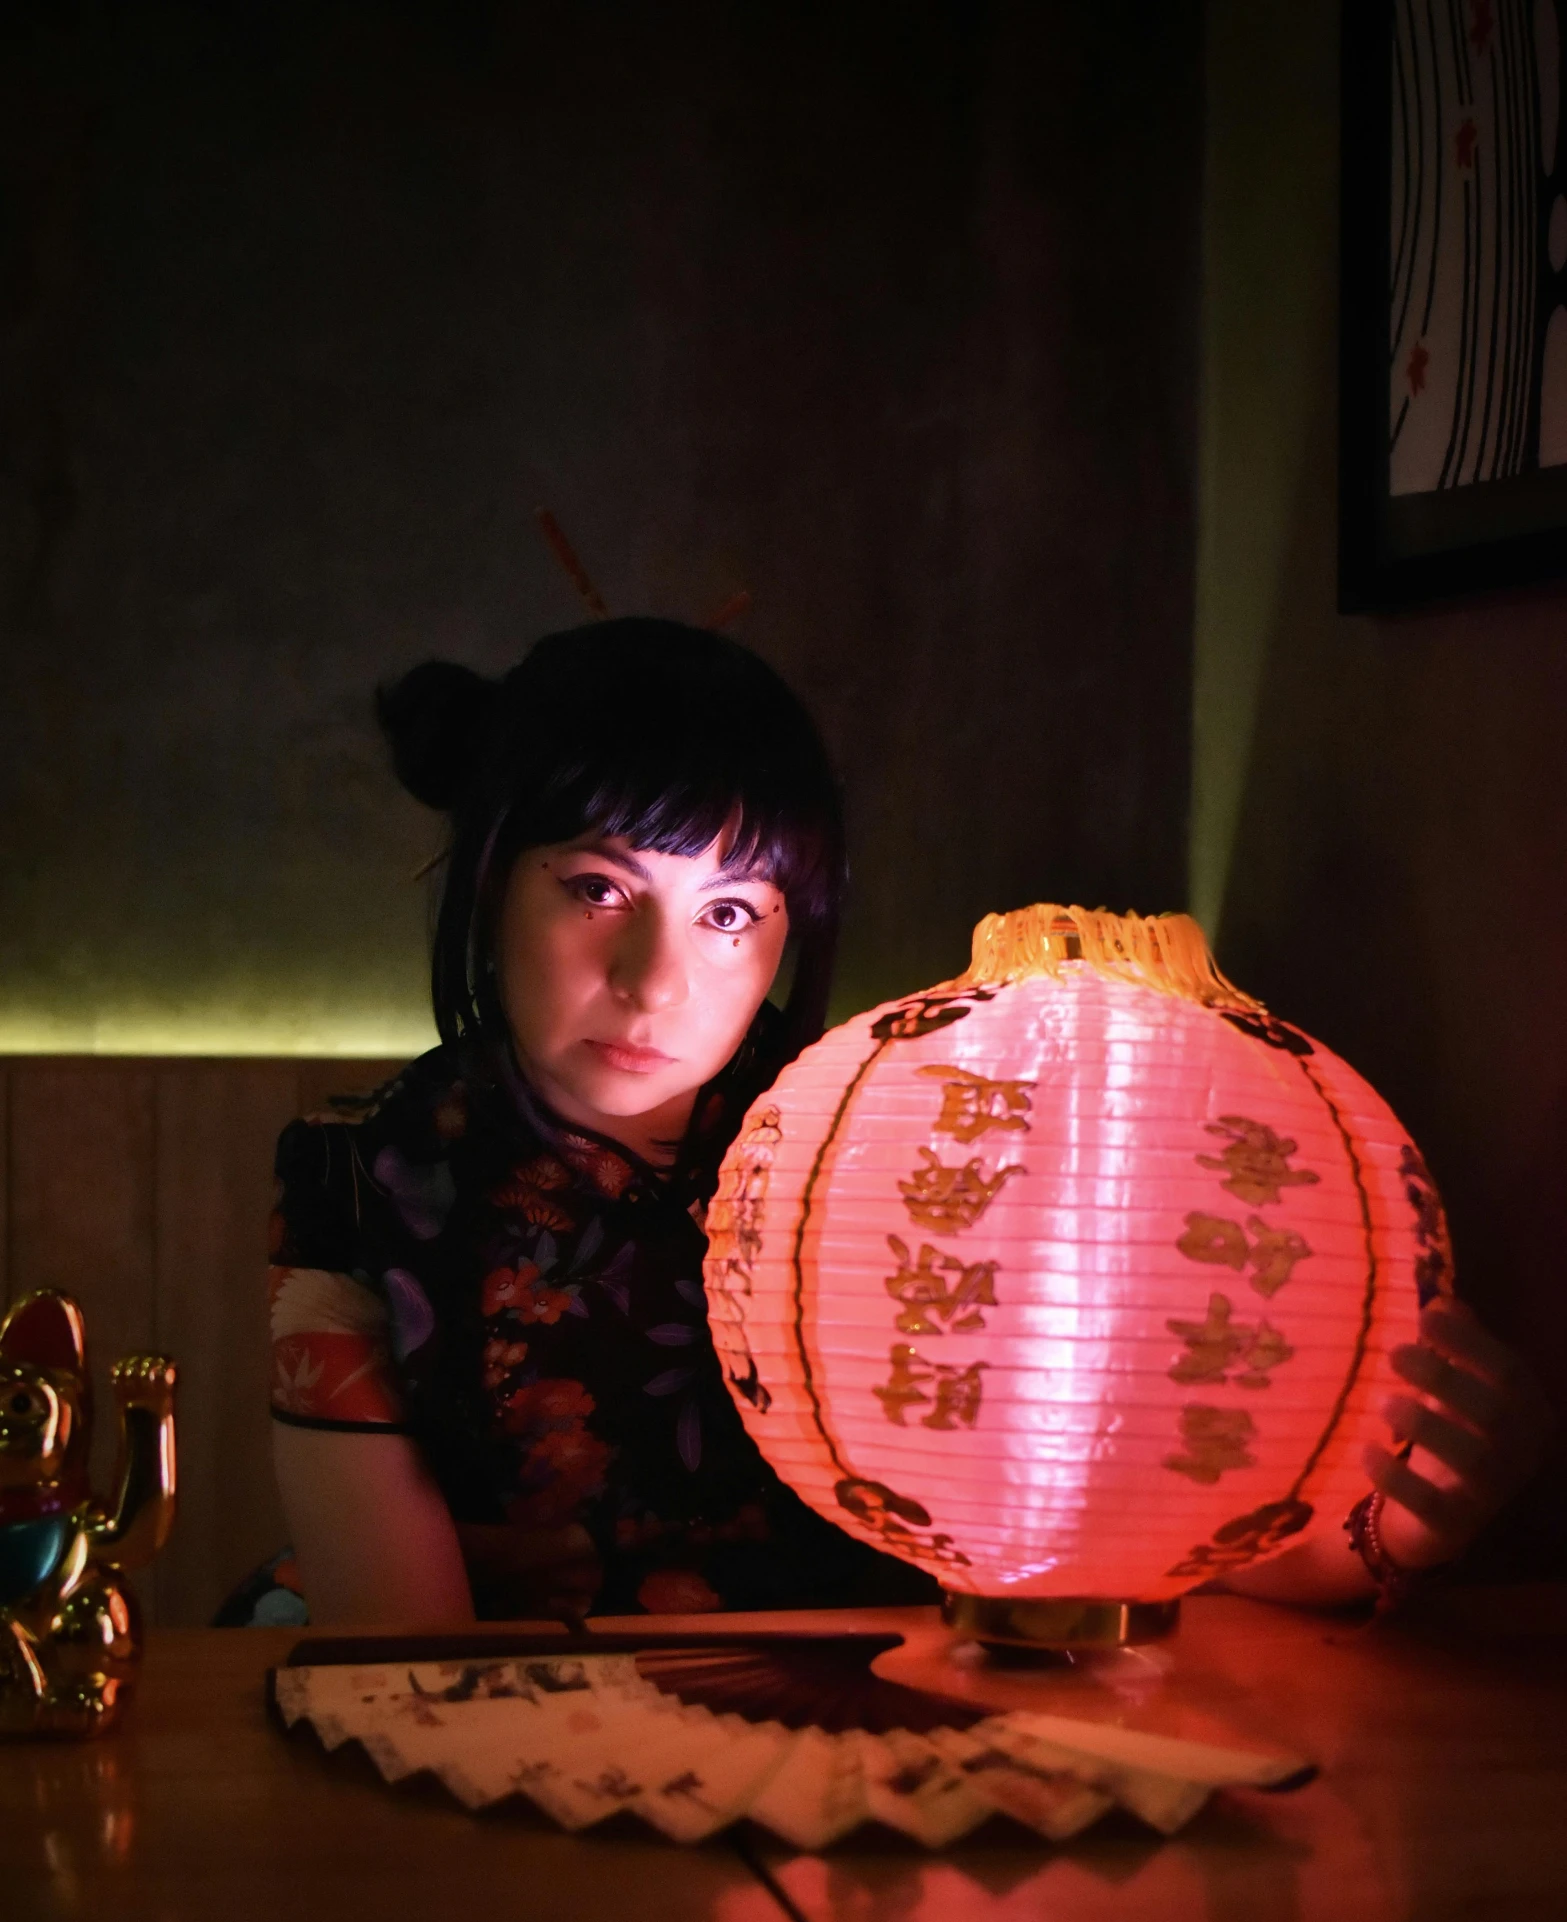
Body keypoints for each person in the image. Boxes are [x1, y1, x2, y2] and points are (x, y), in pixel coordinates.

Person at [257, 617, 1549, 1628]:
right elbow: (401, 1652)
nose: (656, 979)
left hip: (863, 1728)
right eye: (597, 887)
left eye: (729, 912)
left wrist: (1393, 1520)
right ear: (486, 886)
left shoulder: (890, 1150)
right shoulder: (370, 1193)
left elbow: (1123, 1509)